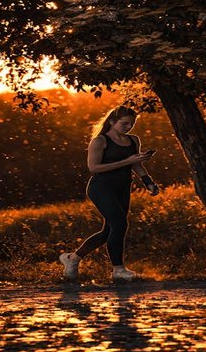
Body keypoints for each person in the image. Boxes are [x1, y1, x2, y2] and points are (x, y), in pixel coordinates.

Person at [59, 105, 159, 282]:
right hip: (101, 187)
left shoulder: (133, 140)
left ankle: (72, 259)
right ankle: (118, 270)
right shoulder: (100, 141)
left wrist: (148, 181)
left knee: (109, 230)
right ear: (112, 122)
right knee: (120, 224)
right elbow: (94, 167)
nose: (128, 127)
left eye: (132, 124)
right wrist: (126, 161)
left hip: (123, 187)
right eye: (125, 124)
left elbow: (135, 164)